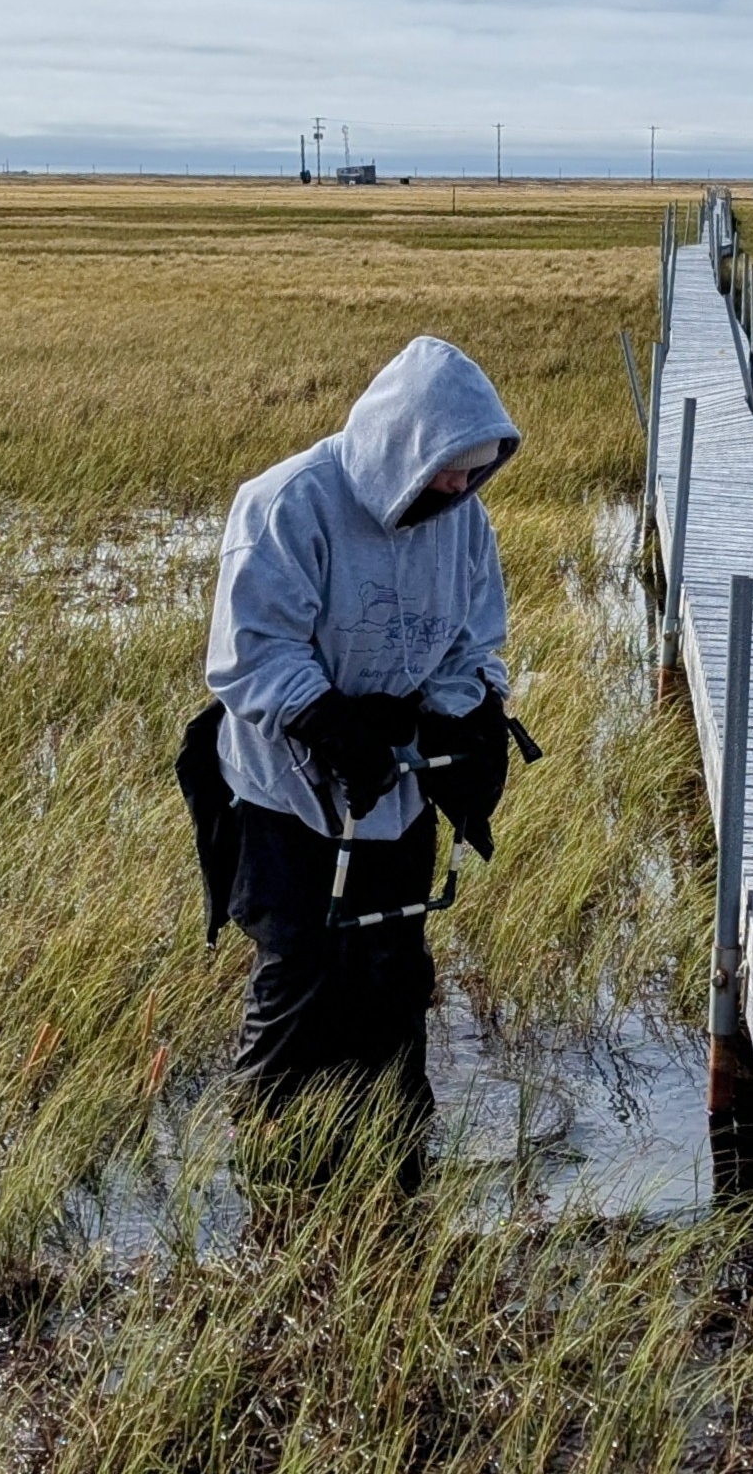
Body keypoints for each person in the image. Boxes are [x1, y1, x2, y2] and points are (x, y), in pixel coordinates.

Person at [200, 335, 520, 1174]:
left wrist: (469, 718)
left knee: (393, 971)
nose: (460, 487)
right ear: (403, 444)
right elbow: (251, 652)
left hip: (396, 790)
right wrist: (328, 720)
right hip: (283, 794)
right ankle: (265, 1162)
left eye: (474, 472)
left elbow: (475, 641)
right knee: (302, 969)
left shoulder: (463, 521)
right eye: (450, 468)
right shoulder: (287, 504)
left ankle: (395, 1152)